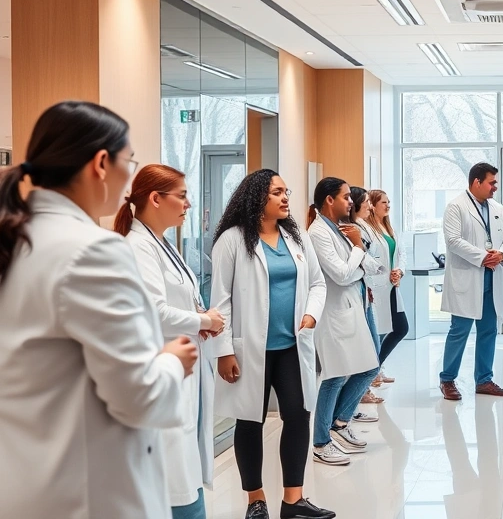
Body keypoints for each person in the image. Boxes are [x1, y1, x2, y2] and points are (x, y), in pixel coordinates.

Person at [0, 101, 197, 518]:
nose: (130, 177)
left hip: (31, 480)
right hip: (89, 493)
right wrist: (171, 362)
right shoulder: (92, 250)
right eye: (130, 161)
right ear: (102, 163)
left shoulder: (17, 238)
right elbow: (139, 398)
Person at [209, 169, 332, 519]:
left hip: (293, 345)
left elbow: (318, 283)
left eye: (286, 191)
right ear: (256, 197)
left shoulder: (296, 237)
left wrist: (310, 315)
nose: (285, 198)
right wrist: (224, 351)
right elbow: (220, 301)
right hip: (250, 349)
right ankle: (255, 501)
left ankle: (293, 501)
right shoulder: (232, 240)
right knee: (251, 420)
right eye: (277, 192)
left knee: (298, 415)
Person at [116, 164, 224, 519]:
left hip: (184, 367)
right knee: (176, 479)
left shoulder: (161, 244)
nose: (188, 204)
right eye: (182, 196)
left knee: (185, 469)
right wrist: (203, 319)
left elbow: (177, 300)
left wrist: (198, 319)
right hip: (165, 369)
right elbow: (156, 311)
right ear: (155, 198)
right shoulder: (138, 246)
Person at [306, 177, 381, 467]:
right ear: (329, 200)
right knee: (335, 375)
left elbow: (366, 267)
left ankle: (338, 422)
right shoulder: (318, 233)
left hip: (352, 307)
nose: (351, 201)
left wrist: (359, 258)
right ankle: (321, 442)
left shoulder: (338, 229)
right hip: (335, 312)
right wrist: (359, 249)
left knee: (368, 368)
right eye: (346, 196)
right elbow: (341, 274)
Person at [439, 162, 503, 400]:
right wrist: (483, 257)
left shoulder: (497, 208)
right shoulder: (456, 207)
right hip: (468, 277)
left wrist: (502, 253)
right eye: (491, 182)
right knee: (459, 331)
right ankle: (447, 380)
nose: (495, 187)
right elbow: (452, 241)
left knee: (488, 331)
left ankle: (484, 380)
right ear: (477, 182)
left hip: (490, 280)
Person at [365, 189, 410, 384]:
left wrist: (399, 271)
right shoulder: (366, 229)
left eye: (389, 201)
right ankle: (372, 371)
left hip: (391, 286)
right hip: (377, 287)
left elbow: (401, 254)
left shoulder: (389, 228)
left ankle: (375, 368)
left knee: (400, 328)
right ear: (372, 206)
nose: (388, 205)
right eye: (384, 202)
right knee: (380, 331)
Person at [349, 186, 386, 405]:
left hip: (366, 292)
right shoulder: (351, 229)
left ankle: (358, 396)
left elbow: (368, 258)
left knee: (373, 348)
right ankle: (356, 398)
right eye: (367, 202)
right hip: (356, 293)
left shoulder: (360, 227)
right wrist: (376, 267)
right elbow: (361, 261)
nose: (370, 206)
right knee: (368, 351)